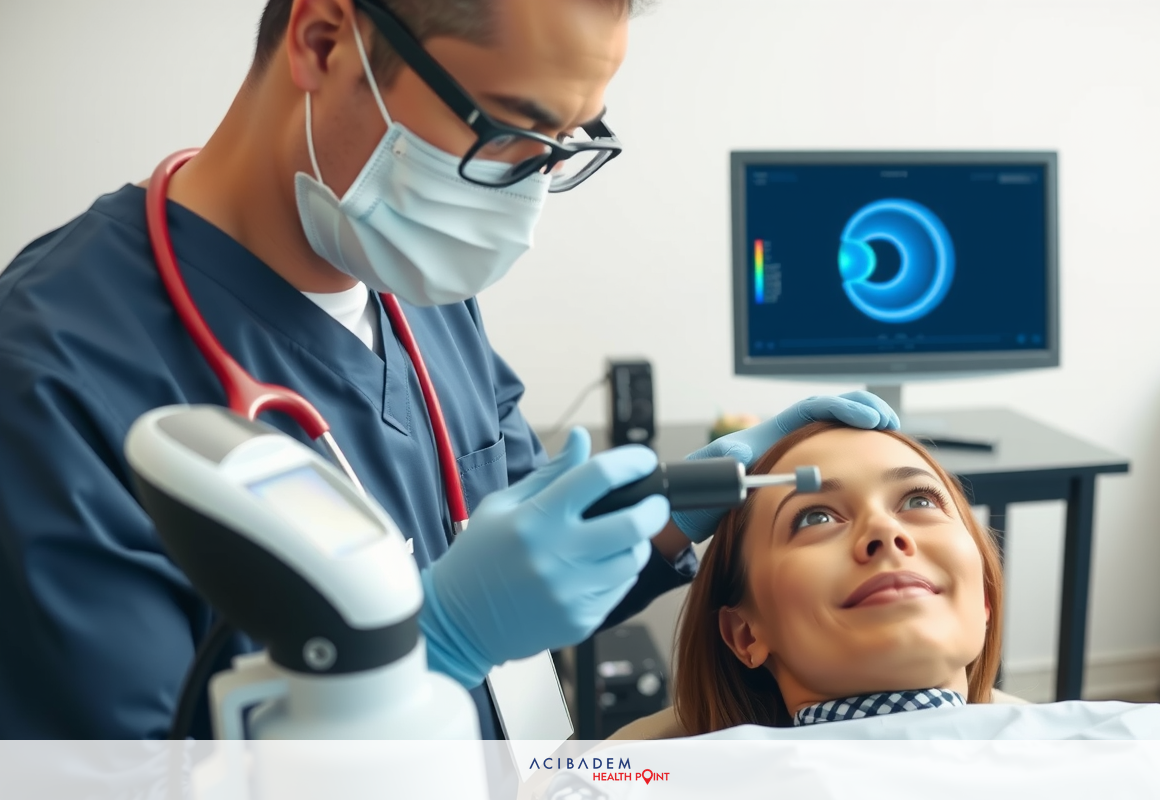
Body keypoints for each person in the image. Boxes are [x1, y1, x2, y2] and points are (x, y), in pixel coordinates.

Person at [0, 0, 899, 739]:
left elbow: (520, 561)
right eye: (511, 129)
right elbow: (113, 775)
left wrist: (668, 513)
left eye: (568, 142)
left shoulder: (408, 274)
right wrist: (436, 645)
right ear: (323, 41)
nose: (529, 193)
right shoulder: (53, 374)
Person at [672, 421, 1160, 739]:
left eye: (919, 500)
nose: (884, 531)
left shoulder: (1143, 745)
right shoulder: (661, 783)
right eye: (815, 517)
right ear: (745, 633)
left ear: (985, 597)